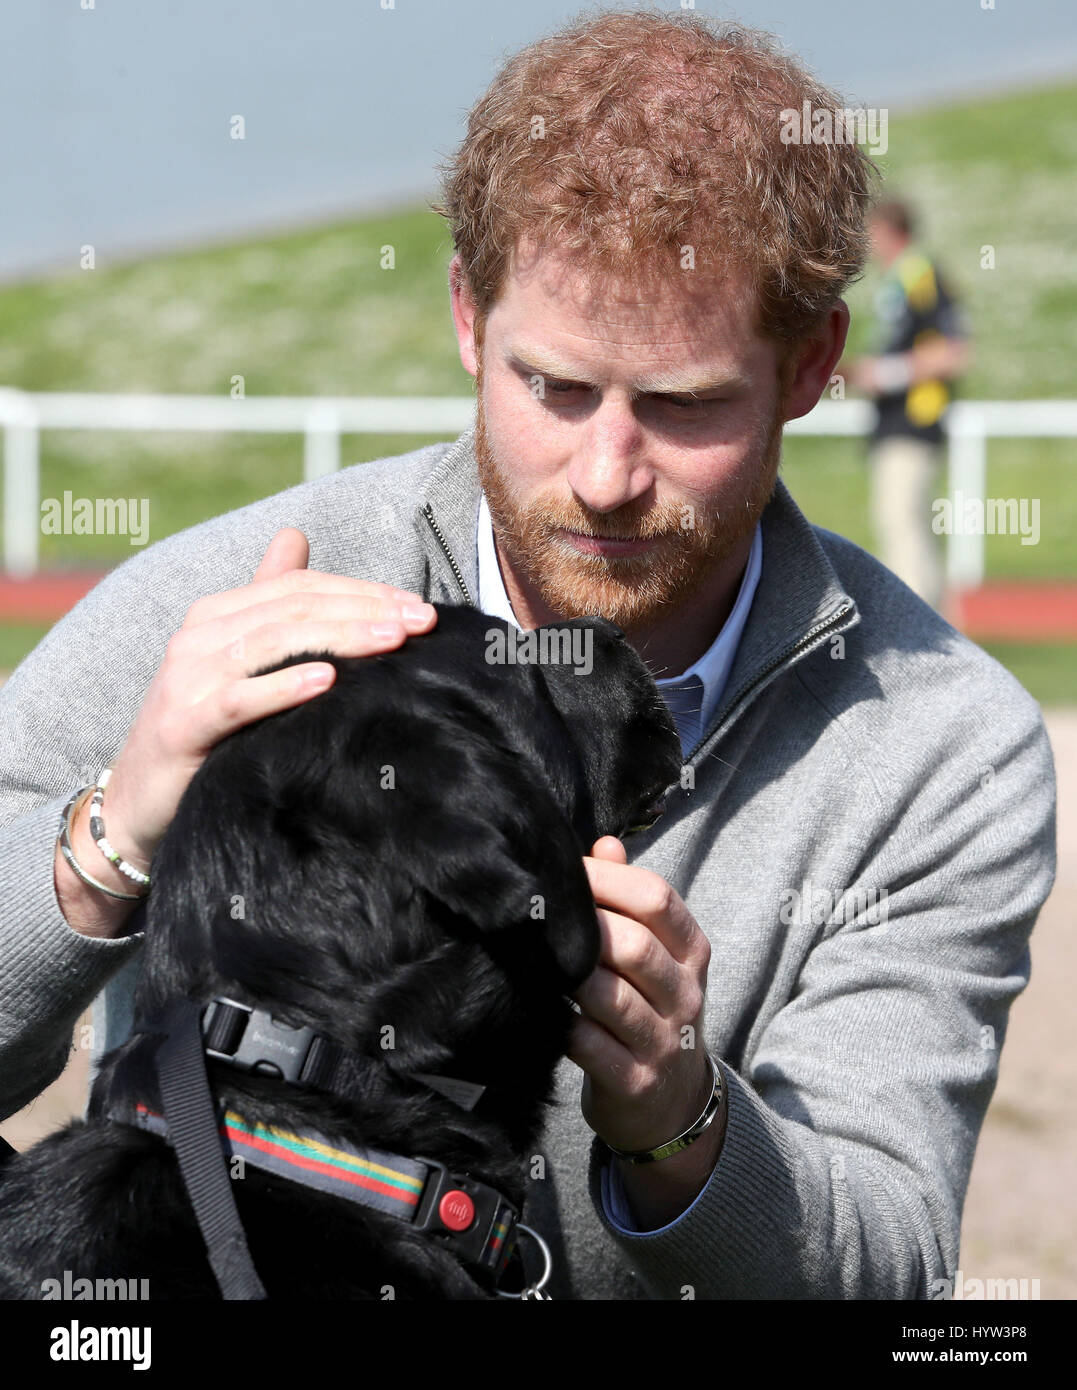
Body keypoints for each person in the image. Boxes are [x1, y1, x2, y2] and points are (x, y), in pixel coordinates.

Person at [0, 10, 1055, 1300]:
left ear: (814, 364)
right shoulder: (231, 609)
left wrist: (681, 1124)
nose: (606, 477)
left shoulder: (943, 747)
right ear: (464, 314)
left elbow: (886, 1273)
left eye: (683, 404)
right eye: (554, 386)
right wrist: (104, 845)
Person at [843, 198, 971, 608]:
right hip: (897, 422)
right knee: (905, 528)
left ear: (890, 231)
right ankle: (933, 635)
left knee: (903, 527)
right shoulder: (900, 280)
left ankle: (918, 638)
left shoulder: (922, 275)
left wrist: (881, 374)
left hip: (914, 421)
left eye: (873, 232)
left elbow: (954, 352)